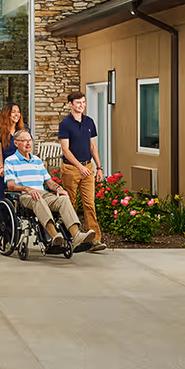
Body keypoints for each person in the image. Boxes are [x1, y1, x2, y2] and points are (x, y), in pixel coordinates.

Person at [4, 130, 95, 249]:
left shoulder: (37, 160)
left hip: (43, 193)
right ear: (16, 143)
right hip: (25, 195)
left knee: (63, 199)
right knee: (37, 199)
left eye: (29, 140)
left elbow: (49, 182)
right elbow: (11, 186)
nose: (28, 143)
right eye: (24, 140)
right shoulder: (10, 161)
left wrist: (59, 188)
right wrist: (28, 189)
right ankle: (54, 235)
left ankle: (76, 235)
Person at [58, 91, 107, 252]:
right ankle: (71, 237)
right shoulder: (65, 124)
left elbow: (93, 146)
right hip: (71, 169)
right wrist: (80, 167)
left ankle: (95, 241)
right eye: (78, 103)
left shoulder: (89, 122)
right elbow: (65, 150)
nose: (82, 105)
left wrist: (99, 167)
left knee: (89, 204)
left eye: (83, 102)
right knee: (70, 204)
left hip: (88, 168)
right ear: (70, 104)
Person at [0, 103, 28, 203]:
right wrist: (2, 168)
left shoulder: (24, 129)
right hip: (2, 170)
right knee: (3, 201)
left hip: (18, 169)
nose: (17, 114)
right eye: (13, 112)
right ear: (7, 114)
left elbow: (28, 148)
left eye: (18, 112)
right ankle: (0, 218)